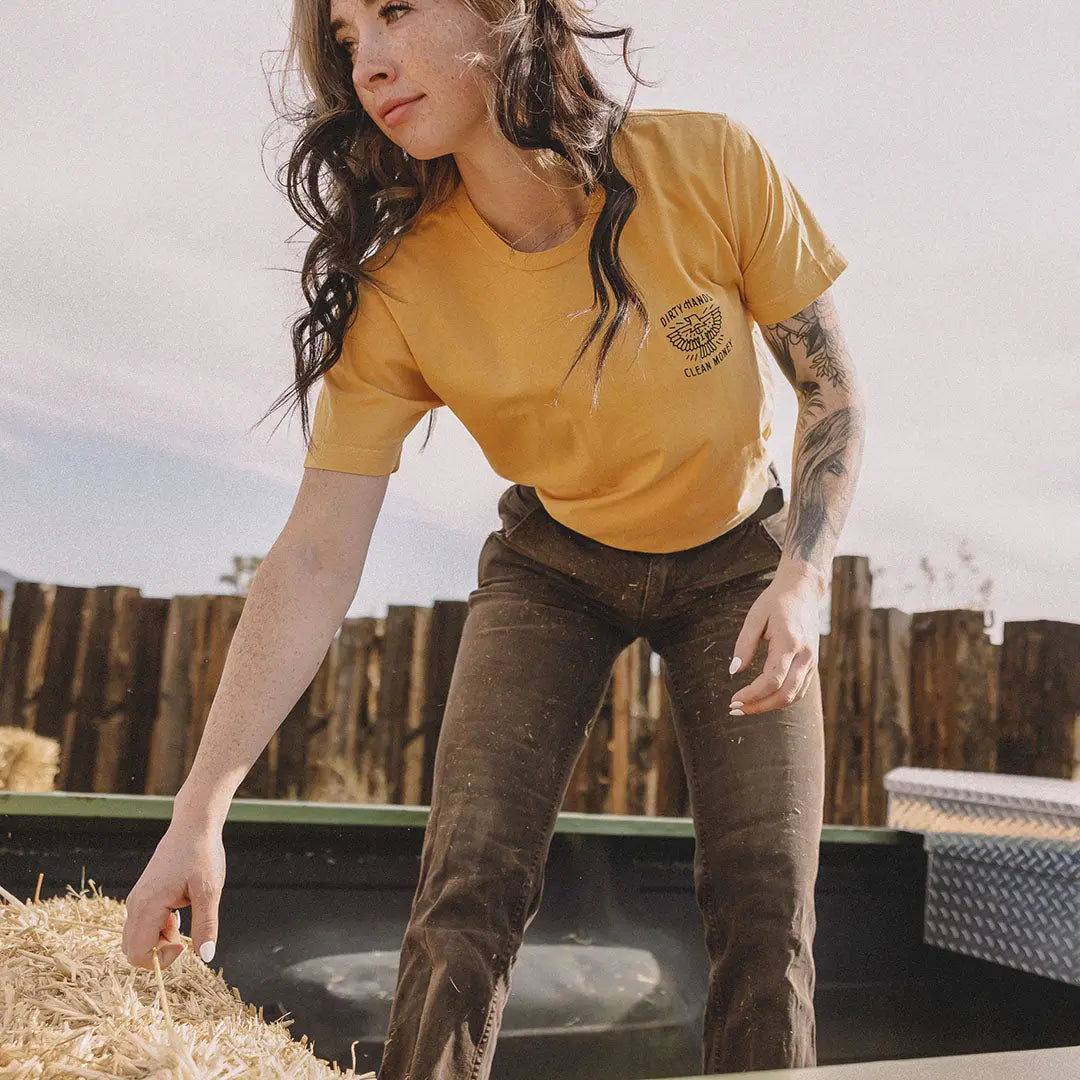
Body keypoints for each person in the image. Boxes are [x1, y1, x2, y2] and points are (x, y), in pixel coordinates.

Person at [121, 1, 866, 1077]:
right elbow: (315, 556)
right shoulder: (401, 285)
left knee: (767, 903)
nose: (369, 64)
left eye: (395, 11)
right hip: (553, 565)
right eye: (346, 41)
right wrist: (199, 811)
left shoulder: (709, 163)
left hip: (741, 559)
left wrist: (803, 575)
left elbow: (832, 396)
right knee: (468, 883)